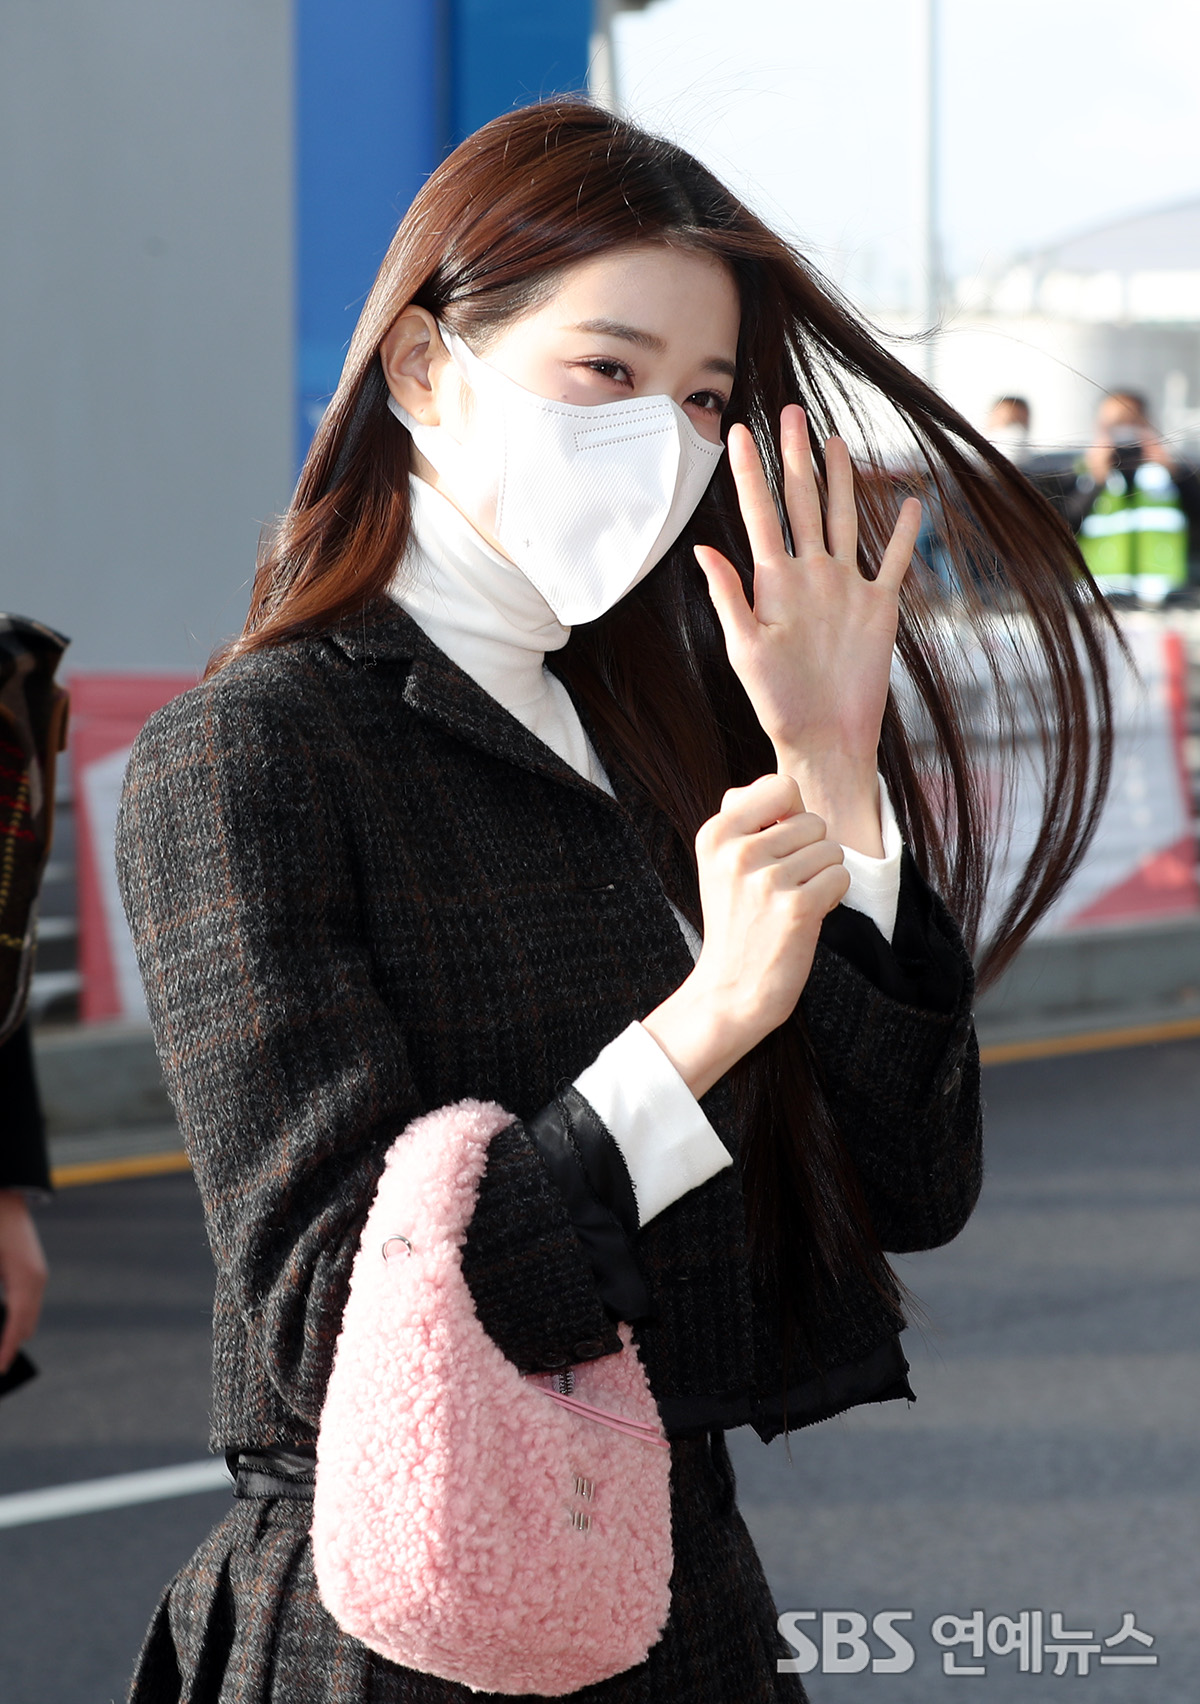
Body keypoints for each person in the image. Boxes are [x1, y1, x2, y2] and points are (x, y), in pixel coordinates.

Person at [115, 102, 1116, 1703]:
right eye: (607, 369)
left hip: (678, 1587)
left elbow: (915, 1187)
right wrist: (706, 1022)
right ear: (425, 367)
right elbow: (330, 1318)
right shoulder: (255, 752)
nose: (664, 439)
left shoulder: (662, 726)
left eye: (704, 396)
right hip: (399, 1626)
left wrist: (835, 779)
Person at [1065, 390, 1198, 602]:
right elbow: (1064, 525)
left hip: (1163, 598)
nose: (1123, 431)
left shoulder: (1175, 473)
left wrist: (1173, 471)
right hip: (1099, 597)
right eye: (1114, 424)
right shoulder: (1080, 473)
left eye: (1131, 421)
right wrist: (1096, 480)